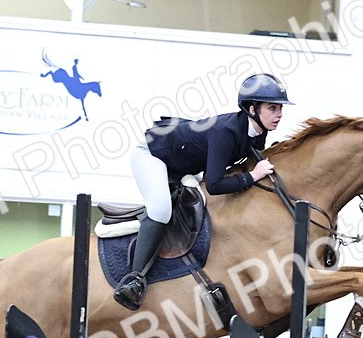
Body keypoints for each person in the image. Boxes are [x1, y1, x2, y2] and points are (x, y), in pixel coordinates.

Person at [113, 73, 293, 310]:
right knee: (161, 209)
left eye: (280, 108)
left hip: (185, 163)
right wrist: (253, 176)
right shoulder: (226, 132)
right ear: (252, 109)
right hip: (152, 155)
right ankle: (134, 280)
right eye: (272, 108)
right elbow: (215, 185)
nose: (279, 114)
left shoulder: (259, 131)